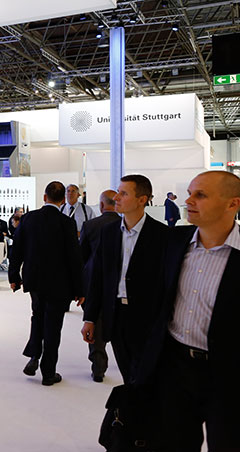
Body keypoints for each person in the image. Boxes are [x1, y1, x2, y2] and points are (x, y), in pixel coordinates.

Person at [136, 171, 240, 450]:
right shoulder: (173, 242)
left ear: (233, 203)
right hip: (176, 368)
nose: (189, 200)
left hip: (229, 375)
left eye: (200, 195)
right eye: (190, 193)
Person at [81, 176, 169, 385]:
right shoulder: (109, 232)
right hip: (115, 315)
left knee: (146, 376)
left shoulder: (162, 235)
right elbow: (98, 278)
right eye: (117, 192)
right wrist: (90, 318)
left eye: (124, 193)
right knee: (127, 374)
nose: (116, 198)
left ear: (142, 200)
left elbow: (165, 282)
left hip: (147, 318)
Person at [9, 181, 83, 386]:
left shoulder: (28, 218)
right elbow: (74, 258)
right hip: (59, 283)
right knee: (53, 326)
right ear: (62, 200)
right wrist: (79, 288)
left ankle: (34, 355)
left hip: (34, 279)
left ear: (44, 197)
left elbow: (17, 249)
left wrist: (14, 276)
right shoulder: (66, 223)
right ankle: (48, 372)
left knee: (37, 316)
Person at [76, 189, 120, 382]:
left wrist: (80, 287)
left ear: (101, 205)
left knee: (95, 324)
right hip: (118, 283)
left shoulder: (90, 225)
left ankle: (98, 367)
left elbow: (82, 257)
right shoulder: (124, 225)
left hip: (93, 281)